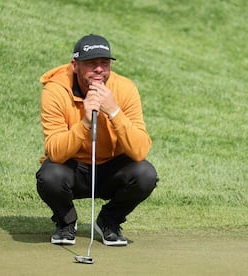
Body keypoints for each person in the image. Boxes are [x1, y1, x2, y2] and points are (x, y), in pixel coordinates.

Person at [35, 34, 158, 246]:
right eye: (91, 63)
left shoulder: (125, 89)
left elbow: (139, 150)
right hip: (72, 169)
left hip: (112, 169)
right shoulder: (55, 90)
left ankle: (109, 221)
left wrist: (114, 111)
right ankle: (66, 222)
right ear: (75, 65)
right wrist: (84, 123)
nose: (99, 69)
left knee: (145, 174)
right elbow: (54, 151)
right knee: (49, 176)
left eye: (104, 63)